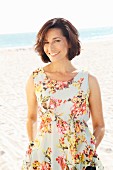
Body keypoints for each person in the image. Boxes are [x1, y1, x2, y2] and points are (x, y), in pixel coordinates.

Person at [22, 18, 105, 170]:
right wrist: (34, 147)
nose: (50, 47)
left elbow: (99, 125)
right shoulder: (36, 78)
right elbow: (32, 118)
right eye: (46, 42)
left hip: (80, 157)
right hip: (44, 156)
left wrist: (89, 150)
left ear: (70, 42)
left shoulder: (88, 80)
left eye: (56, 40)